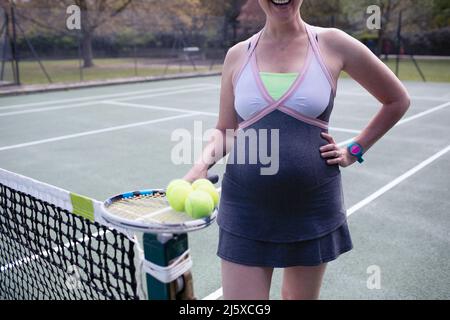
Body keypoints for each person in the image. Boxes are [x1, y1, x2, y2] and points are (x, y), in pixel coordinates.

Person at [184, 0, 410, 300]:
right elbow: (226, 128)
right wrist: (200, 165)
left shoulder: (332, 43)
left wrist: (354, 150)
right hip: (245, 208)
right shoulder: (237, 55)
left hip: (311, 208)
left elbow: (396, 99)